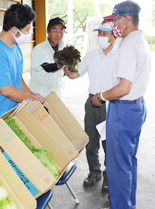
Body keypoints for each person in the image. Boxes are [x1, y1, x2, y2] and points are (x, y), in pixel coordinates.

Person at [91, 1, 151, 209]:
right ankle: (129, 203)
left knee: (117, 166)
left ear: (126, 20)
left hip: (123, 109)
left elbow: (124, 87)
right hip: (137, 108)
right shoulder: (140, 41)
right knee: (129, 161)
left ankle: (121, 206)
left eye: (116, 19)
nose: (114, 24)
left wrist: (101, 95)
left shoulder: (128, 46)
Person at [64, 22, 117, 192]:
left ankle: (109, 176)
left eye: (104, 33)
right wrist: (67, 69)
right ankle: (95, 172)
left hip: (111, 104)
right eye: (99, 33)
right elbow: (75, 73)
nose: (100, 37)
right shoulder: (92, 55)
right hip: (91, 103)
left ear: (113, 36)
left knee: (109, 142)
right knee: (91, 139)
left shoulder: (120, 56)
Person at [0, 4, 45, 127]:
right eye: (27, 30)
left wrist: (31, 94)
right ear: (14, 30)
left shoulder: (14, 46)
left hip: (9, 114)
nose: (29, 33)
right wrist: (31, 100)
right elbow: (7, 91)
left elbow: (16, 76)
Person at [29, 17, 66, 98]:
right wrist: (62, 63)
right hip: (38, 95)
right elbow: (48, 67)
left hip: (55, 95)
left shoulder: (64, 49)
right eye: (55, 31)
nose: (58, 35)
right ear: (48, 32)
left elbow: (63, 73)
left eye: (61, 31)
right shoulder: (39, 49)